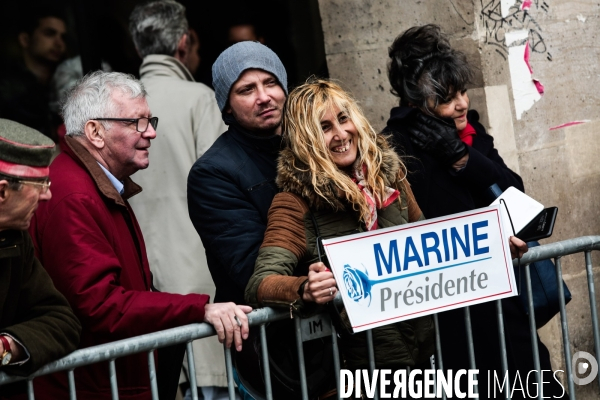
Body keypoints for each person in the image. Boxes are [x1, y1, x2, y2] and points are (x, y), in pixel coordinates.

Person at [28, 71, 251, 400]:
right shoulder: (74, 195)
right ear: (95, 132)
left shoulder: (92, 184)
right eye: (137, 122)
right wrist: (197, 309)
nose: (151, 133)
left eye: (150, 120)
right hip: (96, 387)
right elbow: (101, 305)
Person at [383, 24, 561, 399]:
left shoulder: (471, 133)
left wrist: (464, 157)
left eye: (462, 91)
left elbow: (515, 191)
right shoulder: (394, 146)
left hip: (503, 301)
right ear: (416, 101)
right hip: (450, 310)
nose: (462, 103)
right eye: (448, 98)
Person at [244, 79, 435, 397]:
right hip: (358, 373)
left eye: (343, 119)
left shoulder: (389, 176)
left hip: (419, 356)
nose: (341, 134)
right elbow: (260, 283)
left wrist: (494, 247)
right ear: (307, 140)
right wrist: (305, 288)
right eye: (325, 127)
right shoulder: (295, 201)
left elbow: (433, 242)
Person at [127, 2, 229, 398]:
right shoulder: (199, 98)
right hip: (200, 281)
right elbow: (224, 189)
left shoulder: (116, 109)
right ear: (184, 43)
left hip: (142, 285)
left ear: (139, 51)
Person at [188, 41, 287, 306]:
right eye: (247, 90)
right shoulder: (212, 174)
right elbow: (251, 266)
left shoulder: (312, 146)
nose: (264, 96)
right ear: (227, 106)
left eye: (270, 83)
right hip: (268, 338)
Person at [0, 119, 80, 399]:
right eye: (41, 183)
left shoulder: (16, 239)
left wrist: (5, 347)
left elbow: (61, 320)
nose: (48, 195)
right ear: (2, 191)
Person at [0, 8, 67, 141]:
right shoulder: (8, 88)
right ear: (25, 39)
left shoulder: (61, 84)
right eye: (49, 34)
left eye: (63, 37)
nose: (59, 43)